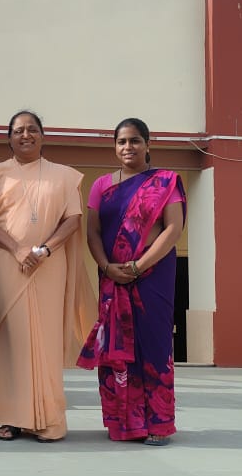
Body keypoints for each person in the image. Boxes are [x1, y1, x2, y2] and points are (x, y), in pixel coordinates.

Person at [0, 111, 98, 443]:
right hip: (6, 264)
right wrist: (17, 249)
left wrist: (45, 250)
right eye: (18, 130)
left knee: (45, 340)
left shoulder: (64, 176)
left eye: (32, 129)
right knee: (10, 342)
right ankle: (12, 417)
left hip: (49, 265)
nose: (25, 135)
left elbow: (72, 219)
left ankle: (48, 419)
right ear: (9, 138)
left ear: (43, 136)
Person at [79, 117, 186, 447]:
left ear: (147, 144)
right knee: (116, 347)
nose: (128, 147)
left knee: (154, 344)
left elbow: (173, 229)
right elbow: (93, 233)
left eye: (135, 140)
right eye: (122, 141)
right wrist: (107, 267)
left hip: (153, 276)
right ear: (115, 146)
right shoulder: (101, 186)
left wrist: (139, 266)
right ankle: (122, 422)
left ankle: (158, 423)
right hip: (112, 278)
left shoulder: (166, 181)